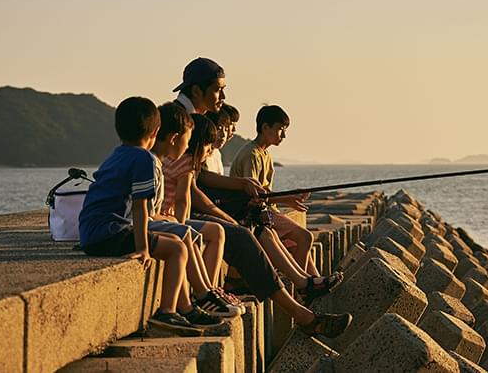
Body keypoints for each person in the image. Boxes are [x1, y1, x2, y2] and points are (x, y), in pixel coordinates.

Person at [170, 58, 352, 337]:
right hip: (179, 213)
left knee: (256, 225)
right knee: (244, 234)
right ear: (197, 91)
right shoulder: (183, 123)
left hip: (190, 207)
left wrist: (242, 188)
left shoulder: (193, 118)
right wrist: (228, 208)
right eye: (219, 89)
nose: (223, 97)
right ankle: (301, 312)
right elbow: (190, 186)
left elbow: (196, 179)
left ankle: (302, 288)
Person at [78, 97, 199, 332]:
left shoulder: (117, 154)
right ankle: (168, 312)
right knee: (178, 249)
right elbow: (140, 206)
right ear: (156, 131)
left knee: (174, 240)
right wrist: (142, 248)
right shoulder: (143, 158)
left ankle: (179, 307)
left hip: (91, 232)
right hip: (110, 233)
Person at [150, 102, 240, 319]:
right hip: (165, 216)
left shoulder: (167, 160)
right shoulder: (186, 162)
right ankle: (205, 294)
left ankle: (208, 291)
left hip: (163, 216)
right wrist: (179, 224)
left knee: (211, 232)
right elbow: (182, 201)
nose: (209, 152)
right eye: (207, 148)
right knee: (202, 234)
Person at [230, 105, 320, 277]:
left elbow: (265, 193)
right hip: (251, 214)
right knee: (305, 238)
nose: (284, 135)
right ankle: (303, 286)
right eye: (280, 129)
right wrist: (287, 199)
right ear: (265, 128)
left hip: (266, 212)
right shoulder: (252, 155)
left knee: (296, 244)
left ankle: (316, 282)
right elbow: (255, 197)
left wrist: (289, 196)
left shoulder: (264, 154)